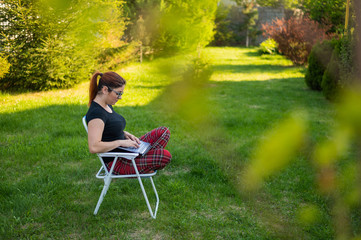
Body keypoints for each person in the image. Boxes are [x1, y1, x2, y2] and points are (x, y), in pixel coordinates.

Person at [85, 71, 171, 174]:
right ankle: (145, 161)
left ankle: (143, 157)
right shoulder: (96, 114)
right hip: (116, 162)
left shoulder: (107, 104)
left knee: (163, 132)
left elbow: (108, 128)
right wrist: (121, 142)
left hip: (126, 151)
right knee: (164, 155)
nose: (120, 97)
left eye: (121, 93)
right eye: (118, 93)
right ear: (105, 90)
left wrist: (125, 134)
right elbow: (94, 147)